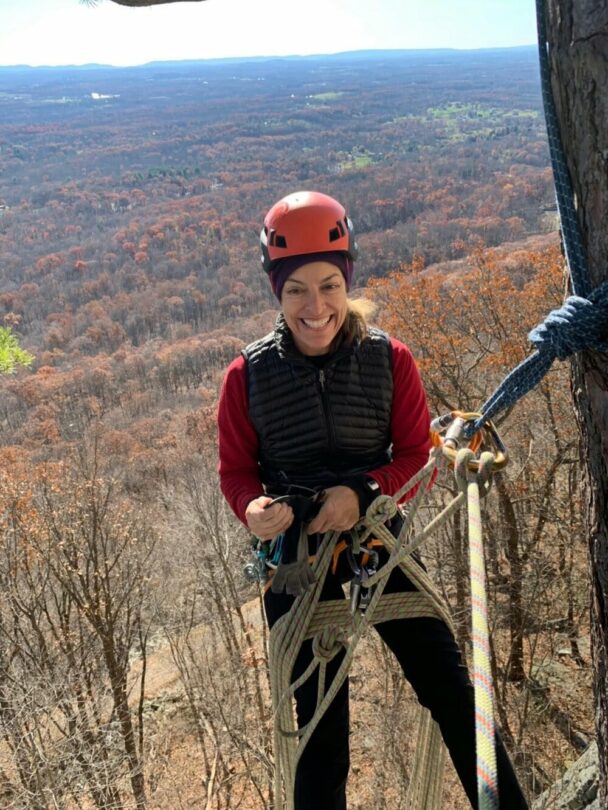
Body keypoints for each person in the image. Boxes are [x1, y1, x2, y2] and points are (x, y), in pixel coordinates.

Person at [217, 190, 528, 810]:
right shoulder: (247, 377)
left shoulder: (390, 361)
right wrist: (253, 510)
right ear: (276, 294)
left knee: (451, 691)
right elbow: (236, 473)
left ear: (348, 280)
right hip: (299, 553)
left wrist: (362, 492)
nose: (316, 306)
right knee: (322, 728)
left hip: (375, 542)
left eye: (329, 285)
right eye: (296, 290)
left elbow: (416, 455)